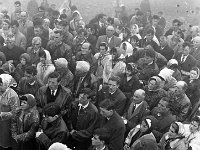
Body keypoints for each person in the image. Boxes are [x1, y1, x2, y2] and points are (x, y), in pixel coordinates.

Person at [0, 74, 19, 150]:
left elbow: (15, 112)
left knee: (5, 139)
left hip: (7, 123)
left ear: (6, 84)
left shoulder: (12, 95)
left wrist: (2, 114)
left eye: (1, 85)